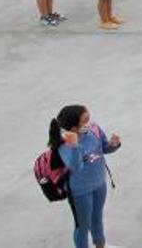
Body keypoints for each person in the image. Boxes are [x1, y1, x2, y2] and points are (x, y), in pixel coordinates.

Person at [49, 104, 121, 248]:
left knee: (97, 218)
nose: (89, 123)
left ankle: (100, 245)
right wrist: (75, 147)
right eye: (85, 120)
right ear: (74, 127)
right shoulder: (65, 145)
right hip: (80, 191)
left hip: (100, 184)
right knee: (83, 225)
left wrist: (114, 144)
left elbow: (104, 147)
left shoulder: (94, 130)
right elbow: (76, 167)